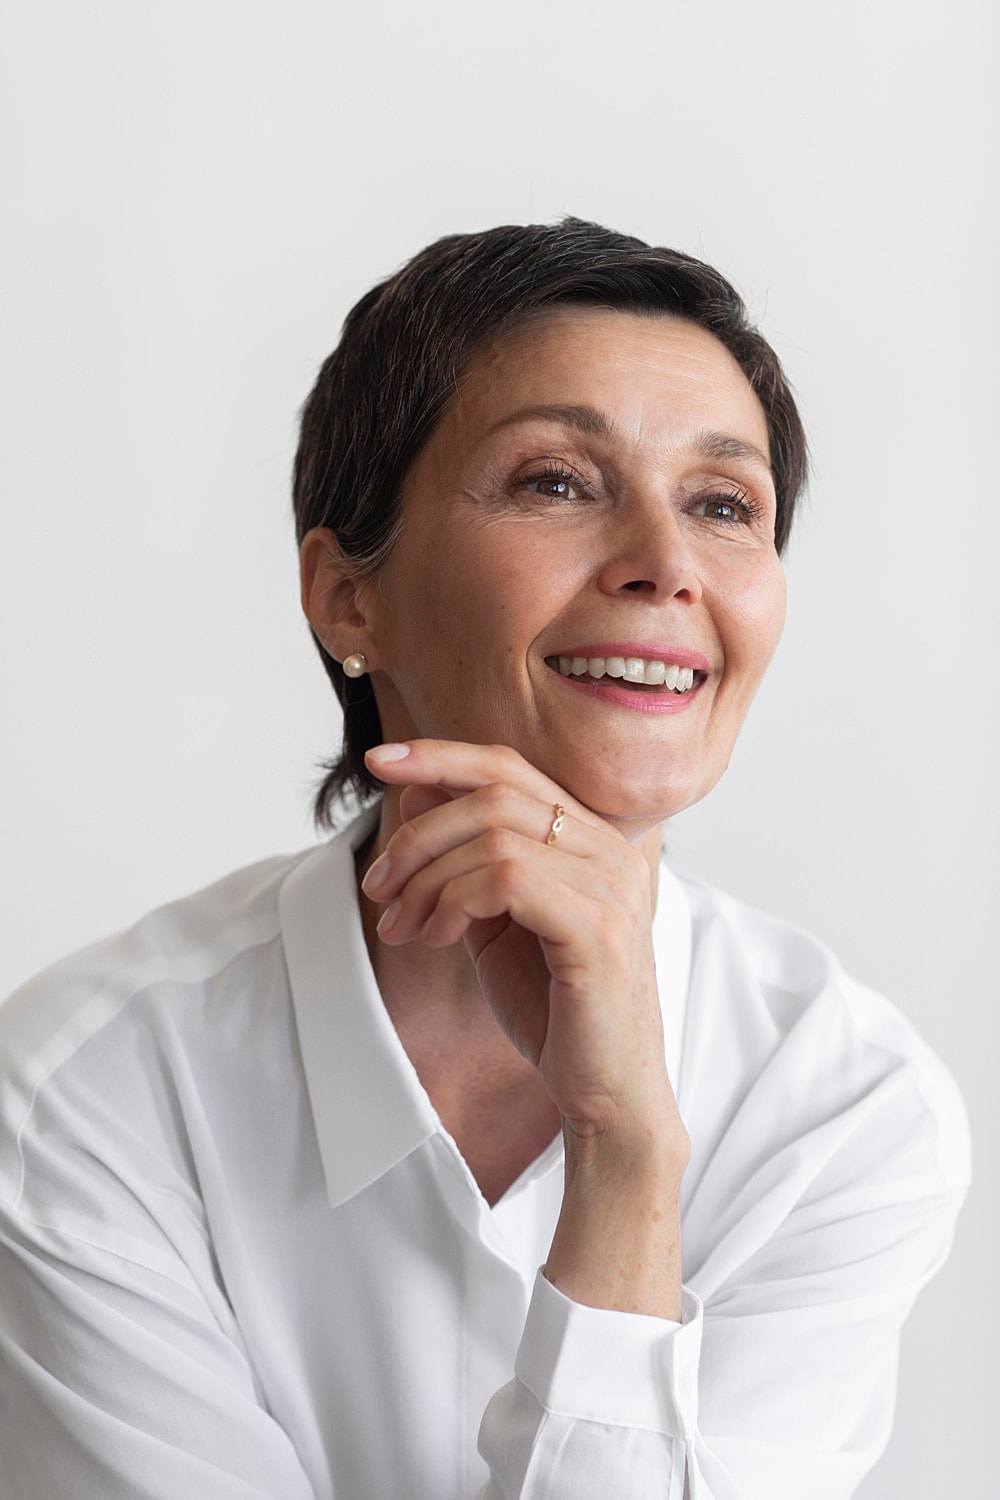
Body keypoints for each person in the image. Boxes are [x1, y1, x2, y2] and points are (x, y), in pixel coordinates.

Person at [0, 220, 969, 1499]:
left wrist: (627, 1149)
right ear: (348, 597)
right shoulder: (81, 1093)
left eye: (723, 505)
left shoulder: (844, 1109)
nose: (667, 567)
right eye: (556, 482)